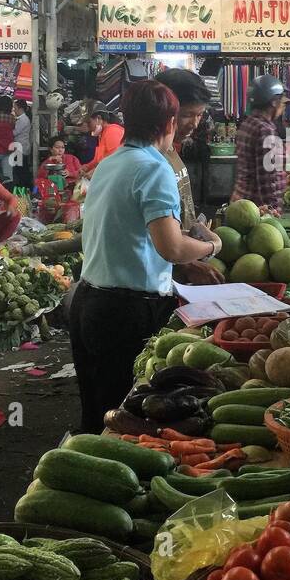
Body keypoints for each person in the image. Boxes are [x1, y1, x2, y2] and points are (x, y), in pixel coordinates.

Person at [69, 80, 225, 433]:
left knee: (98, 415)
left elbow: (132, 231)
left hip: (89, 302)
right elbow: (171, 247)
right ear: (169, 123)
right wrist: (212, 246)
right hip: (124, 312)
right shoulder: (155, 169)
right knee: (128, 418)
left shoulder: (112, 162)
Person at [155, 68, 224, 286]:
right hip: (161, 278)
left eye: (200, 114)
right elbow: (137, 231)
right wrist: (185, 263)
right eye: (187, 115)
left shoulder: (170, 149)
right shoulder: (149, 161)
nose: (194, 124)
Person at [231, 74, 288, 213]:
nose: (283, 106)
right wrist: (272, 209)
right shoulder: (265, 130)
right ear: (274, 102)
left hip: (243, 201)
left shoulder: (248, 123)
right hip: (257, 209)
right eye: (282, 102)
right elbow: (267, 178)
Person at [35, 136, 83, 224]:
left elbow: (81, 172)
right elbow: (40, 177)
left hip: (73, 192)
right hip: (53, 194)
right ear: (51, 149)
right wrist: (49, 161)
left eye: (62, 147)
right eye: (57, 147)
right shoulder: (47, 163)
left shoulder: (72, 158)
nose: (60, 150)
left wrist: (70, 173)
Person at [80, 109, 124, 176]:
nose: (89, 128)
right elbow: (98, 159)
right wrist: (87, 167)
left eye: (89, 123)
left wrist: (95, 171)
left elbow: (115, 157)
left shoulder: (112, 130)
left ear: (99, 118)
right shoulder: (102, 135)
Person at [10, 99, 33, 186]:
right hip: (20, 148)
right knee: (21, 170)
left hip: (20, 149)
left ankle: (25, 188)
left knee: (21, 171)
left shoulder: (23, 120)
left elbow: (14, 133)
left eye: (15, 108)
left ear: (20, 108)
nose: (14, 110)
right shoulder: (21, 119)